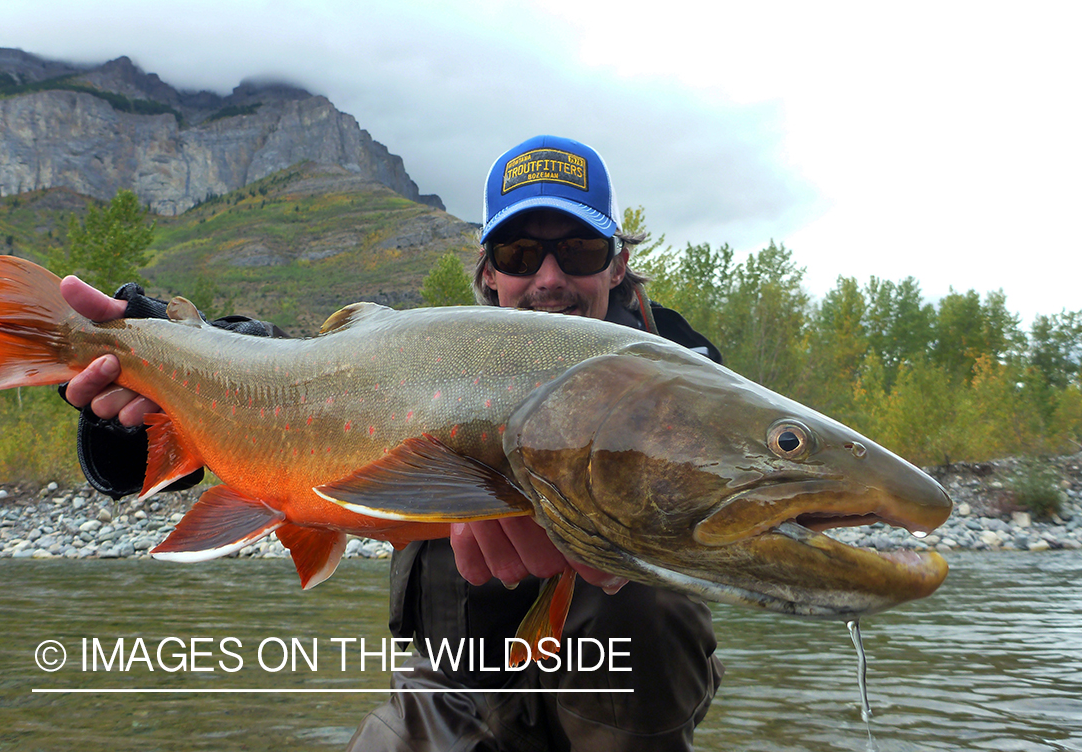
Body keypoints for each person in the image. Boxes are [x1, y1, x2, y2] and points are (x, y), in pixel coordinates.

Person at [61, 134, 724, 751]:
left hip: (617, 685)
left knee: (647, 604)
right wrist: (163, 363)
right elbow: (296, 379)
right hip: (453, 681)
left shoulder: (690, 386)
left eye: (576, 251)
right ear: (489, 273)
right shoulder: (431, 356)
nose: (548, 278)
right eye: (519, 255)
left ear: (617, 265)